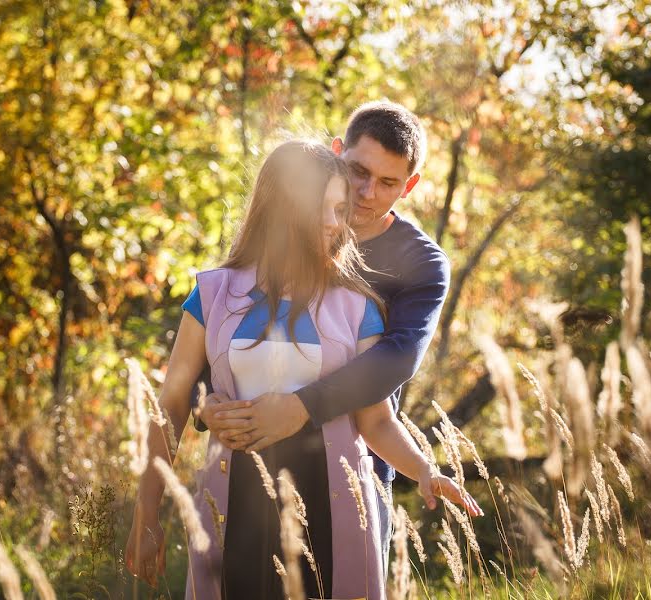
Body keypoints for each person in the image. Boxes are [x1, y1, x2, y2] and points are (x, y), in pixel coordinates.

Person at [125, 139, 480, 600]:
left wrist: (424, 469)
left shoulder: (358, 307)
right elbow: (170, 405)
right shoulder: (212, 294)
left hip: (331, 513)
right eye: (326, 208)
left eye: (340, 207)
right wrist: (146, 512)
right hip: (233, 509)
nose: (339, 223)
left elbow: (375, 421)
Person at [196, 100, 457, 572]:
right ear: (337, 153)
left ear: (410, 186)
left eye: (388, 183)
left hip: (355, 464)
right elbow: (217, 339)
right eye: (358, 171)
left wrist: (301, 408)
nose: (366, 192)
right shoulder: (282, 235)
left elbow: (397, 359)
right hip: (244, 462)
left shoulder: (420, 262)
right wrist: (208, 407)